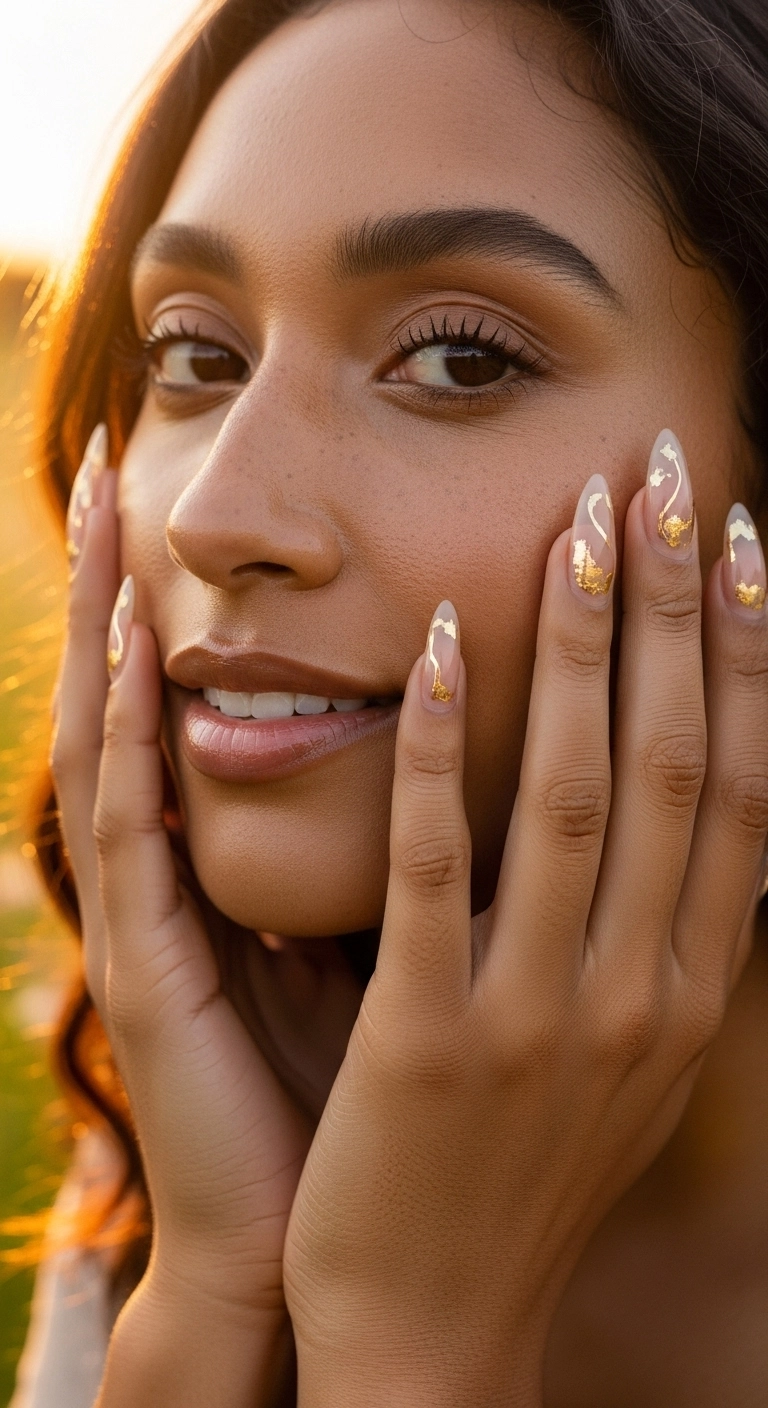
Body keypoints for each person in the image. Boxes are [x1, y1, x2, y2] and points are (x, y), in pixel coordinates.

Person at [11, 0, 768, 1402]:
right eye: (192, 355)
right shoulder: (182, 1150)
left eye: (460, 360)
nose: (216, 516)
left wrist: (402, 1344)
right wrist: (215, 1285)